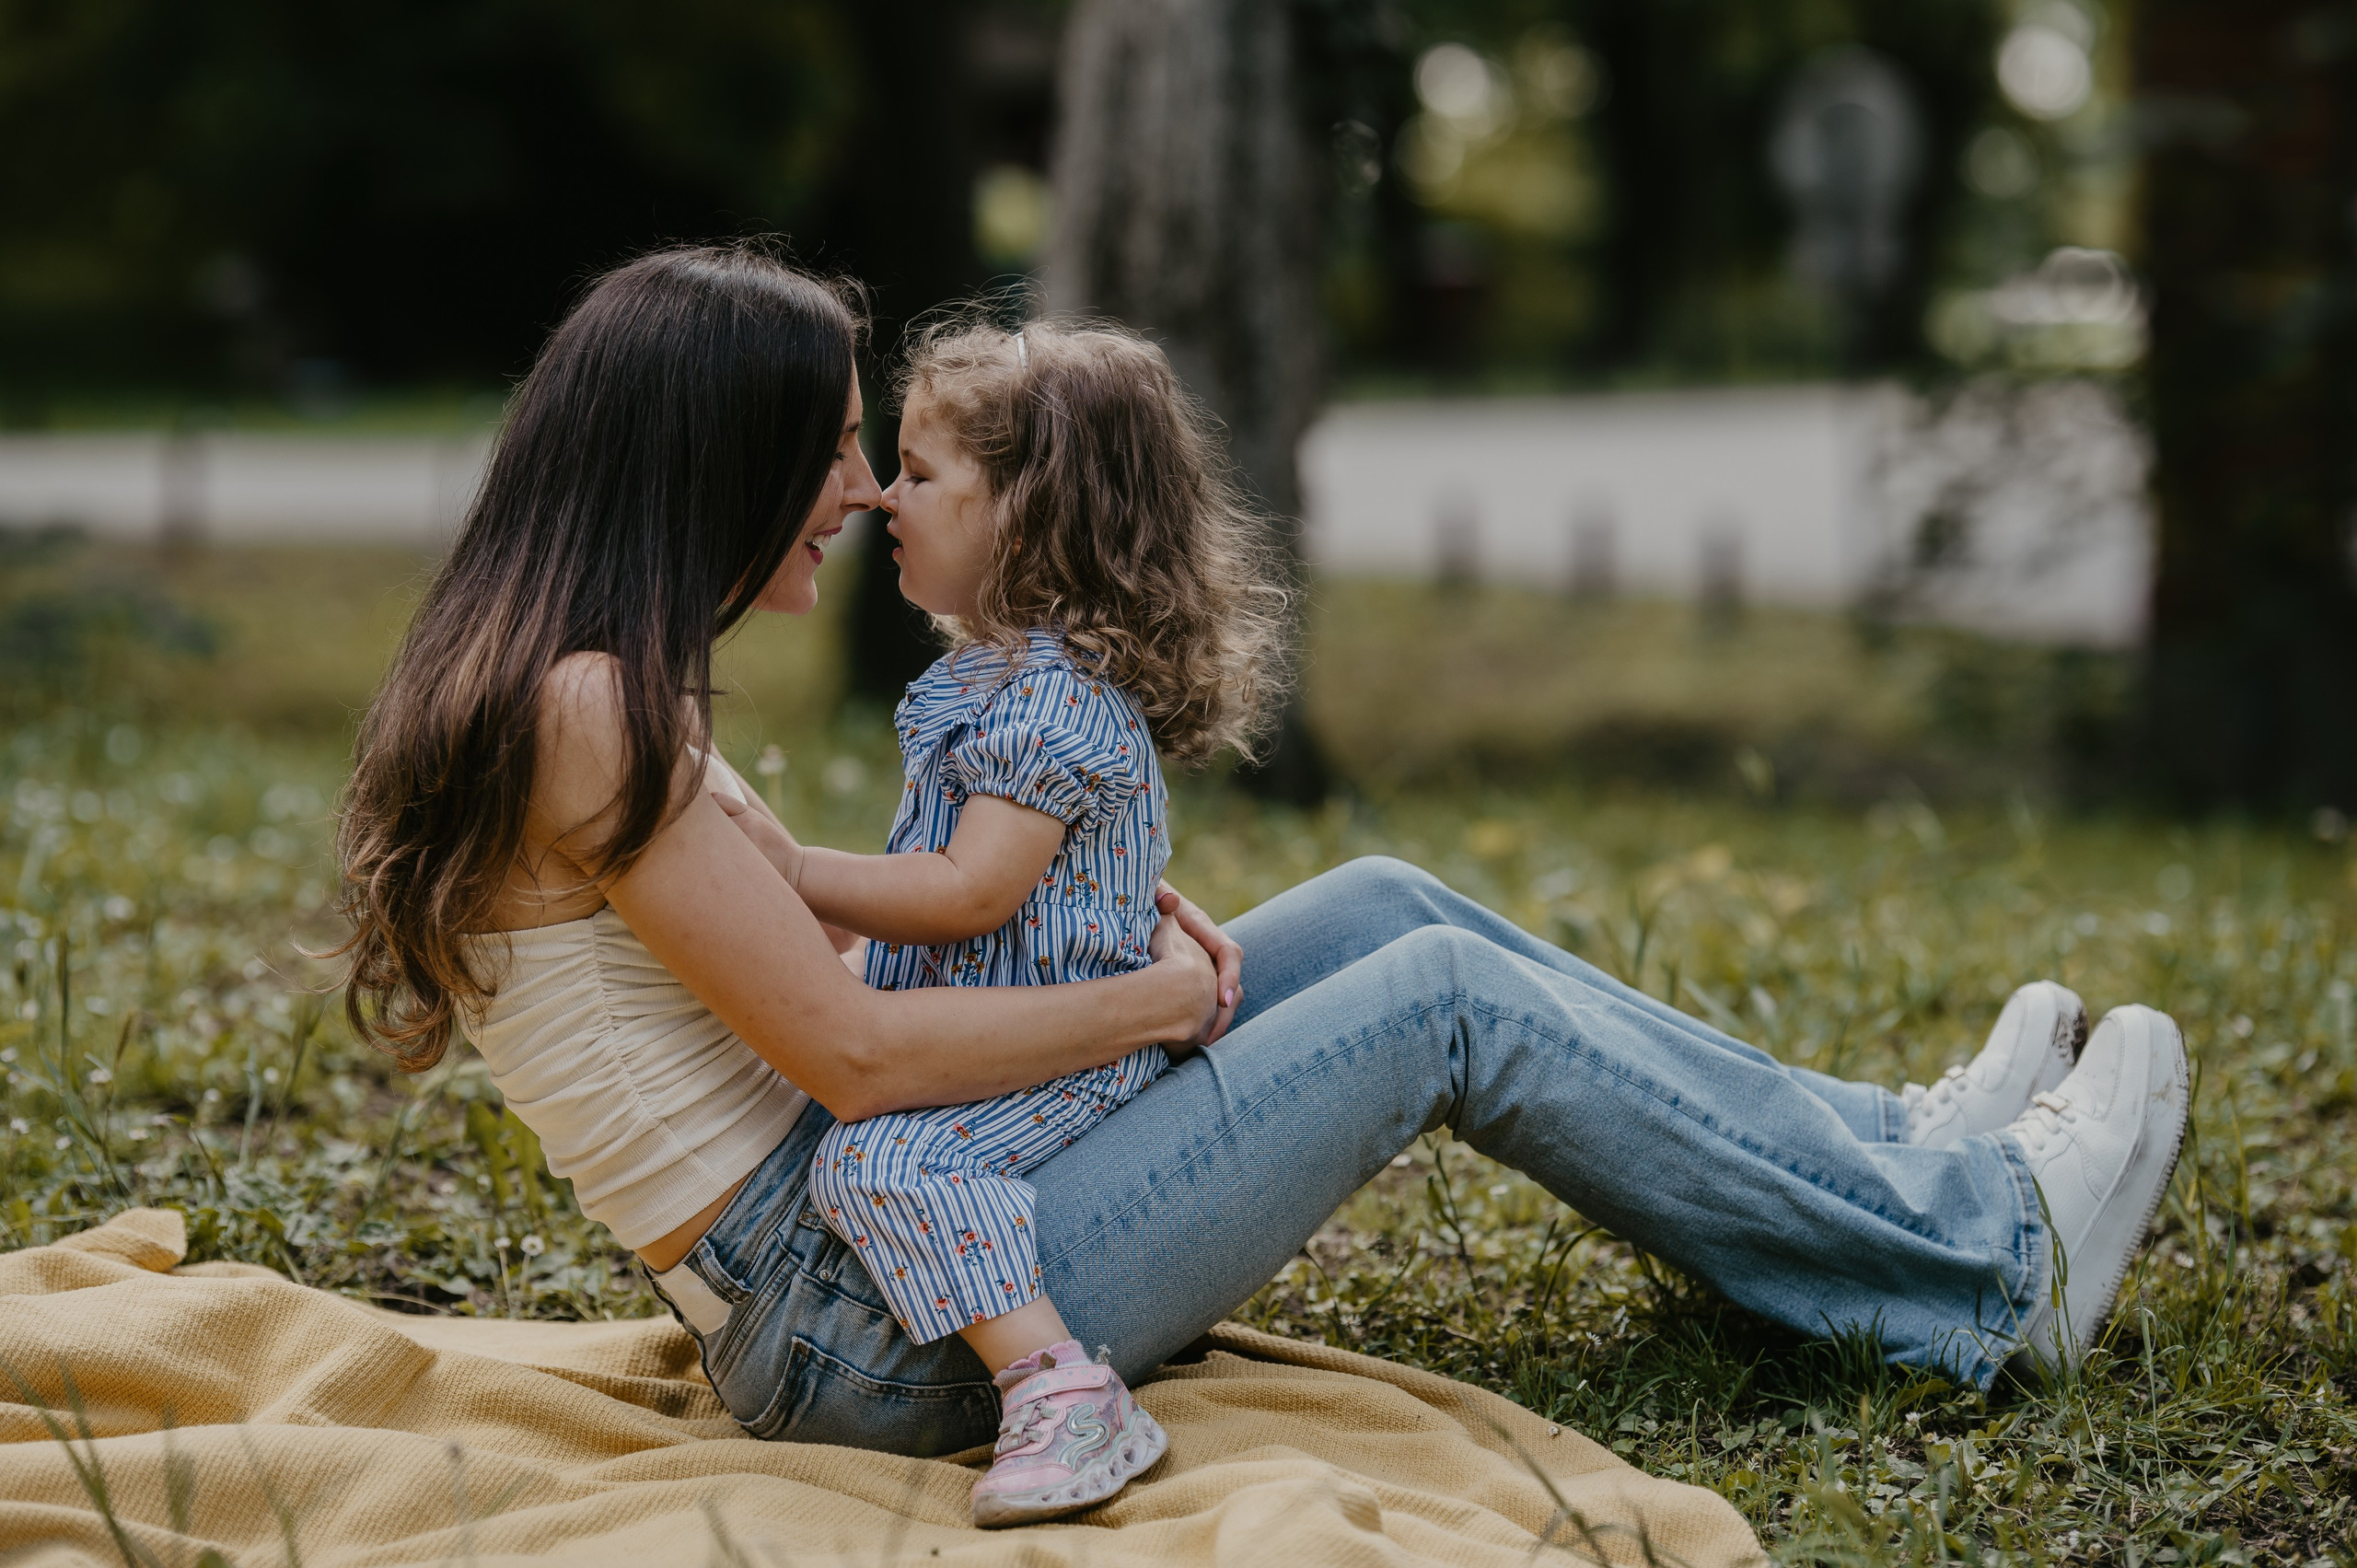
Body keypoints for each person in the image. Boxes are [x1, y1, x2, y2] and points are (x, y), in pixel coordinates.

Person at [333, 245, 2189, 1497]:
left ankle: (1887, 1159)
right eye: (830, 452)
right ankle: (1979, 1269)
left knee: (1385, 910)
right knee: (1439, 1006)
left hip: (886, 1236)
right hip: (866, 1323)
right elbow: (859, 1058)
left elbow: (844, 987)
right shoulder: (592, 707)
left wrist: (1088, 955)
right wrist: (1147, 1003)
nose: (865, 492)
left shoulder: (589, 679)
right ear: (716, 462)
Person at [714, 317, 1290, 1525]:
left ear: (1025, 518)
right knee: (868, 1147)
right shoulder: (995, 681)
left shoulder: (1052, 705)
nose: (884, 499)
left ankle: (1059, 1392)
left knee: (880, 1160)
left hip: (1076, 1046)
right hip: (1021, 1023)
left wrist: (795, 869)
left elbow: (966, 894)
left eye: (920, 475)